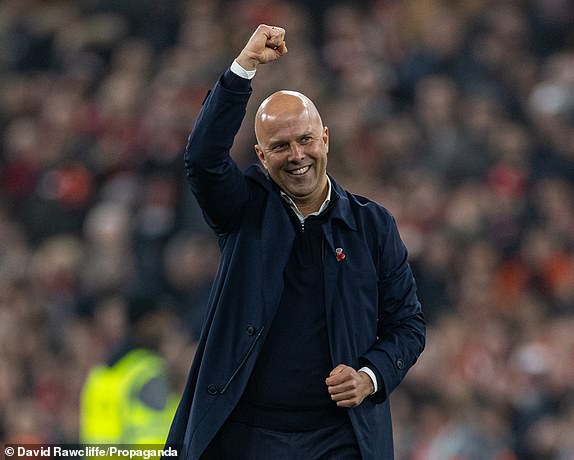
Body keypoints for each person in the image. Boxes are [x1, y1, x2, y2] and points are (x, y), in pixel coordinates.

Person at [165, 25, 425, 459]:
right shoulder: (243, 208)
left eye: (305, 140)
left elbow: (408, 325)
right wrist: (242, 67)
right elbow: (202, 158)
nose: (297, 155)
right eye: (281, 146)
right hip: (247, 433)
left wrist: (370, 375)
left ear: (325, 139)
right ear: (262, 157)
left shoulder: (373, 225)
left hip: (339, 436)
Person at [80, 295, 178, 447]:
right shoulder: (148, 371)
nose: (165, 329)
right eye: (161, 321)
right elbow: (152, 439)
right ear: (147, 323)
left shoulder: (99, 375)